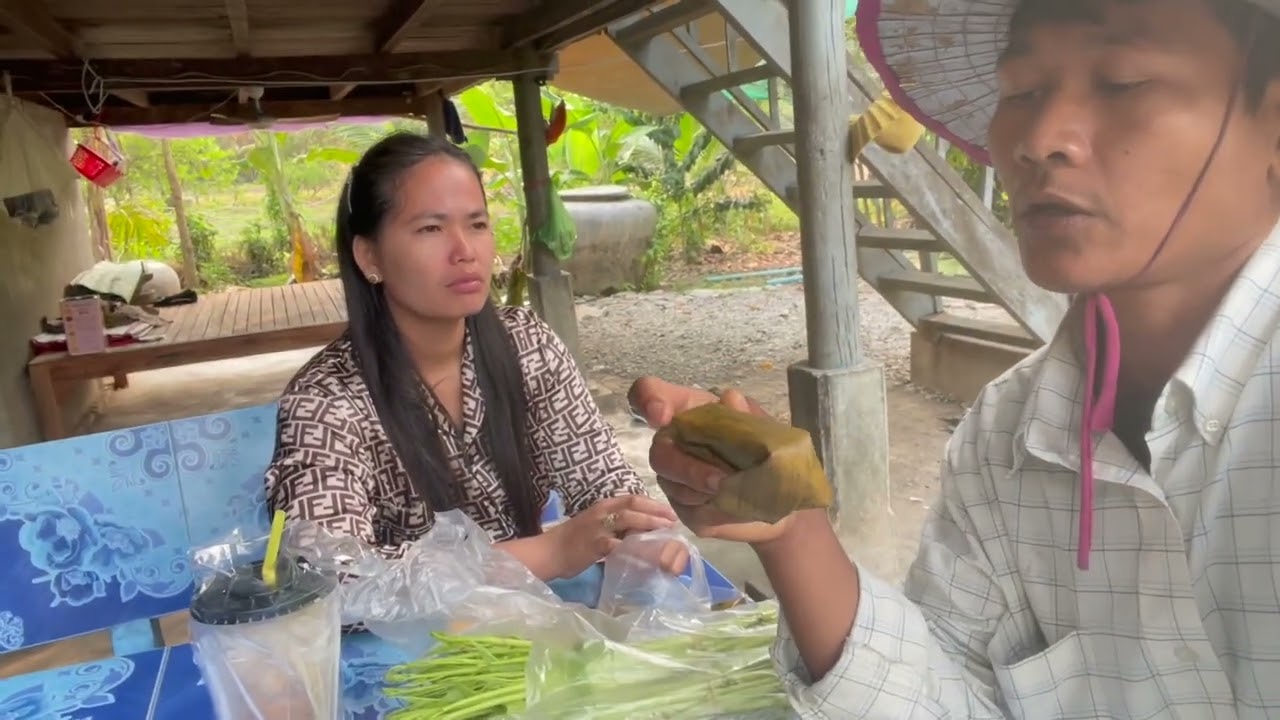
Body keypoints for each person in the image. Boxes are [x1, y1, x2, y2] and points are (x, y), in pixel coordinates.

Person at [632, 0, 1280, 716]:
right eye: (1020, 92)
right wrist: (792, 533)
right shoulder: (1007, 433)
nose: (1038, 138)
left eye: (1122, 81)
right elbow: (951, 698)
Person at [264, 131, 686, 583]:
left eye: (478, 224)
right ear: (370, 256)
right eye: (431, 228)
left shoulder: (528, 347)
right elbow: (325, 576)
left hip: (536, 623)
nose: (465, 251)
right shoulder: (324, 401)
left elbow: (604, 485)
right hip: (402, 646)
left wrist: (639, 533)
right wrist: (552, 551)